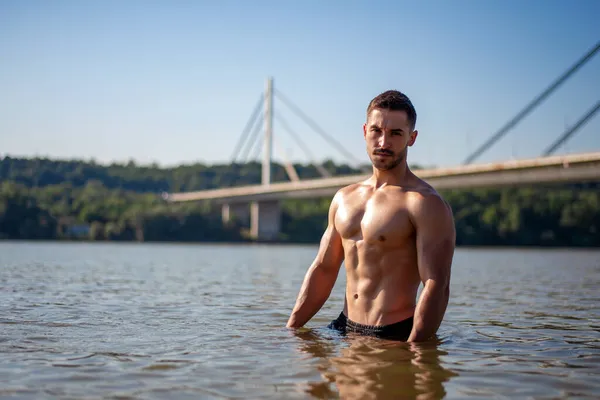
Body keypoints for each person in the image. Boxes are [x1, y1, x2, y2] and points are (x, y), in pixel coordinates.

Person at [286, 90, 456, 342]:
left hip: (395, 333)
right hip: (343, 328)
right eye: (376, 131)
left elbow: (436, 286)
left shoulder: (424, 203)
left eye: (396, 133)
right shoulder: (344, 198)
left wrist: (417, 352)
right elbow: (324, 268)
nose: (383, 143)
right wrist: (291, 331)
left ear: (412, 138)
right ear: (365, 131)